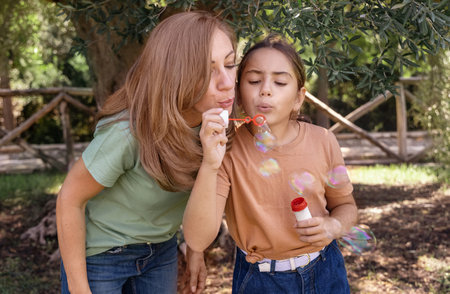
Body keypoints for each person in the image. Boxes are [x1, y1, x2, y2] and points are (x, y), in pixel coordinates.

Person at [56, 11, 237, 294]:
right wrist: (79, 287)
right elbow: (69, 199)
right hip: (102, 256)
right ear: (175, 74)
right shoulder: (127, 133)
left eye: (230, 64)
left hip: (161, 253)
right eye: (207, 70)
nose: (227, 82)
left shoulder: (214, 124)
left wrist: (194, 249)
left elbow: (199, 192)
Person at [183, 35, 358, 294]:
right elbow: (198, 237)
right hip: (260, 281)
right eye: (254, 81)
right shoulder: (226, 149)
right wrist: (210, 163)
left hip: (326, 270)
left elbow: (345, 206)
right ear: (239, 95)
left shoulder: (323, 141)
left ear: (299, 98)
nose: (265, 89)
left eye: (279, 81)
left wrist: (333, 226)